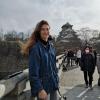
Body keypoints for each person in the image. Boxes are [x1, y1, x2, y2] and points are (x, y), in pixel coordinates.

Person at [21, 20, 59, 100]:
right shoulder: (35, 49)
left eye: (47, 29)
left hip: (53, 85)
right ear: (39, 31)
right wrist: (40, 89)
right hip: (43, 89)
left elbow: (54, 67)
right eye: (43, 29)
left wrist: (57, 80)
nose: (46, 31)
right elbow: (33, 73)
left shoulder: (51, 47)